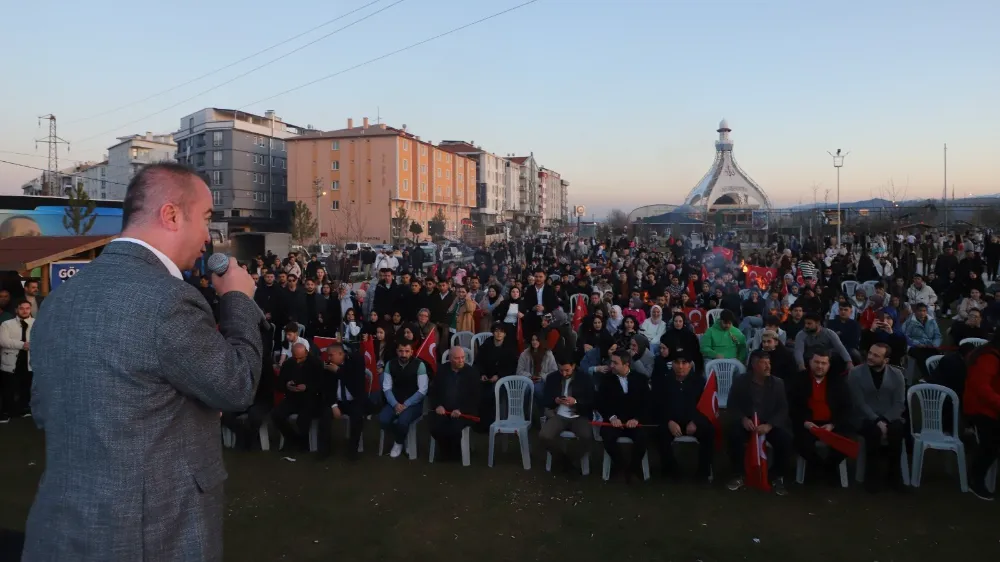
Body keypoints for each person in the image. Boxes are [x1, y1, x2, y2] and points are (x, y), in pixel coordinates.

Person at [24, 163, 263, 560]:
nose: (209, 236)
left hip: (61, 530)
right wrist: (238, 299)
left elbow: (46, 408)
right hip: (151, 535)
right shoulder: (170, 299)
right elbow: (237, 386)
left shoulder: (62, 297)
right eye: (205, 218)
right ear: (170, 215)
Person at [848, 342, 908, 493]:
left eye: (876, 355)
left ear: (886, 360)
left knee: (897, 431)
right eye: (870, 353)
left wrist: (885, 420)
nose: (870, 357)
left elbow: (899, 403)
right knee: (872, 432)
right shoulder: (855, 373)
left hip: (890, 417)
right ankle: (871, 477)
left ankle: (894, 476)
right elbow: (859, 402)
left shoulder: (897, 375)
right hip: (864, 417)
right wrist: (876, 420)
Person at [787, 351, 853, 486]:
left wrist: (832, 424)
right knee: (801, 443)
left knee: (845, 442)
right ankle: (817, 467)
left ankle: (828, 467)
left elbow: (846, 407)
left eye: (824, 363)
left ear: (829, 365)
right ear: (810, 362)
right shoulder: (798, 379)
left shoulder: (838, 381)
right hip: (807, 423)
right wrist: (805, 422)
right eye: (816, 362)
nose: (820, 366)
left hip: (831, 423)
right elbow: (792, 405)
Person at [649, 347, 713, 482]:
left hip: (693, 422)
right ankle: (671, 469)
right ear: (672, 364)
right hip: (671, 422)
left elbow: (707, 407)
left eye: (684, 363)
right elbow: (656, 407)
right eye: (677, 363)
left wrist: (696, 421)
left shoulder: (700, 382)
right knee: (659, 433)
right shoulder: (663, 382)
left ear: (690, 365)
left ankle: (703, 472)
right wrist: (669, 421)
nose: (681, 366)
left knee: (709, 432)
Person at [596, 349, 651, 482]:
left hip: (634, 421)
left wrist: (637, 419)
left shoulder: (641, 379)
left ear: (626, 364)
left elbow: (648, 403)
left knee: (642, 438)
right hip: (613, 422)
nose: (611, 365)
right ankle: (620, 464)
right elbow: (600, 402)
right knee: (607, 437)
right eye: (611, 362)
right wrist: (612, 417)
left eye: (615, 363)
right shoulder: (606, 380)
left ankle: (634, 467)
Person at [539, 356, 595, 478]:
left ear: (573, 366)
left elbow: (591, 401)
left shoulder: (584, 378)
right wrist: (555, 400)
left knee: (587, 437)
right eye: (561, 370)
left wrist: (575, 402)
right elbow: (545, 400)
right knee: (544, 436)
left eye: (567, 370)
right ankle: (565, 462)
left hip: (579, 415)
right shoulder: (552, 378)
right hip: (558, 414)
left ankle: (568, 461)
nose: (564, 373)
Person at [963, 332, 1000, 501]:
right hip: (980, 409)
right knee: (992, 444)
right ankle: (975, 480)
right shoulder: (989, 357)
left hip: (991, 405)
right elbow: (982, 389)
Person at [428, 347, 481, 462]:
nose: (461, 360)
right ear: (450, 359)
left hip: (464, 412)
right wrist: (438, 405)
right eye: (457, 358)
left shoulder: (472, 373)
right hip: (443, 411)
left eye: (463, 358)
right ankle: (445, 452)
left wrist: (461, 409)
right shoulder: (442, 371)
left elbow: (475, 397)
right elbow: (433, 391)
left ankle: (456, 454)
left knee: (454, 428)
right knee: (436, 426)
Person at [380, 339, 429, 458]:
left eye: (407, 351)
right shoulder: (390, 364)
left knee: (402, 421)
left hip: (413, 403)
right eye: (401, 351)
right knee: (383, 419)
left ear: (412, 352)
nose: (404, 354)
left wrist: (406, 404)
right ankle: (402, 435)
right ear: (397, 351)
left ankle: (398, 443)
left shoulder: (419, 365)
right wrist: (395, 404)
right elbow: (386, 388)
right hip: (395, 401)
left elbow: (422, 390)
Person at [317, 342, 366, 460]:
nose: (329, 358)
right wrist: (333, 405)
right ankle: (324, 451)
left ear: (340, 354)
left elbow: (357, 385)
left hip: (353, 400)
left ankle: (352, 451)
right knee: (324, 415)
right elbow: (326, 389)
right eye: (328, 356)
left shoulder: (355, 363)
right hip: (337, 401)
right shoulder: (328, 366)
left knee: (357, 417)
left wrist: (339, 371)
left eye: (331, 355)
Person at [0, 299, 33, 422]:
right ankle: (6, 412)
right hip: (11, 361)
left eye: (27, 308)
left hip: (29, 362)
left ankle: (24, 409)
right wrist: (23, 345)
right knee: (8, 389)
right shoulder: (6, 324)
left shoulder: (37, 323)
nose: (25, 311)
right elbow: (3, 341)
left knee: (26, 388)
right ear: (16, 310)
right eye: (21, 308)